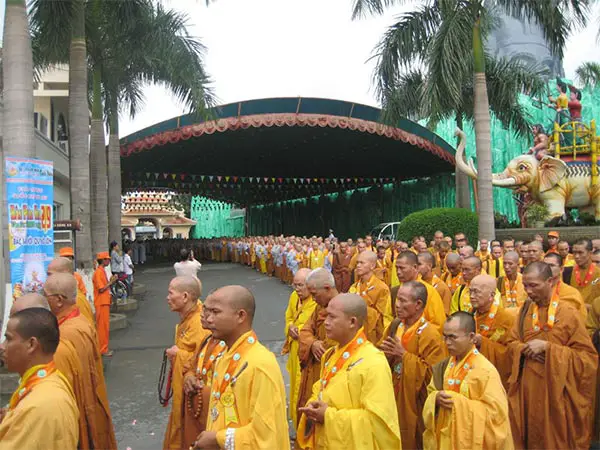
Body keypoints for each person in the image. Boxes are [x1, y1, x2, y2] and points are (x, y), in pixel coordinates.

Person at [507, 262, 598, 449]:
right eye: (525, 286)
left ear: (549, 282)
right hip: (528, 392)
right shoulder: (524, 311)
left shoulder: (568, 313)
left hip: (557, 395)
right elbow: (510, 342)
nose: (529, 291)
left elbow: (588, 358)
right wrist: (524, 349)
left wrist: (549, 348)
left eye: (534, 285)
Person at [297, 293, 401, 449]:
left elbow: (378, 424)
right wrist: (313, 405)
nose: (326, 323)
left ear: (352, 322)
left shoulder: (373, 362)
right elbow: (322, 390)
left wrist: (328, 416)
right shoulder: (331, 355)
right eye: (326, 317)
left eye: (332, 317)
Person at [192, 286, 290, 449]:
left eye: (216, 312)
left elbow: (265, 435)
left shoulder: (260, 364)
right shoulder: (224, 355)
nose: (209, 319)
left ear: (240, 316)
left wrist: (218, 439)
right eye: (208, 312)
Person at [42, 274, 116, 450]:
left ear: (59, 300)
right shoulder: (77, 319)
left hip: (77, 408)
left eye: (45, 295)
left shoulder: (65, 337)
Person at [423, 312, 512, 449]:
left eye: (453, 337)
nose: (447, 343)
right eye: (445, 337)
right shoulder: (444, 366)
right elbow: (431, 392)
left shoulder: (485, 371)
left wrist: (458, 403)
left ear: (471, 337)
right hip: (445, 440)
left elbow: (496, 417)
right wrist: (436, 398)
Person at [380, 281, 446, 449]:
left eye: (403, 301)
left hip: (413, 404)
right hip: (391, 394)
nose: (397, 305)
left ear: (418, 305)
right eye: (397, 300)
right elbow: (381, 353)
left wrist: (404, 356)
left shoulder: (430, 335)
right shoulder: (395, 325)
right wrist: (385, 356)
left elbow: (433, 377)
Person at [0, 308, 79, 449]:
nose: (2, 347)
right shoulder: (50, 379)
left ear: (31, 344)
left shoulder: (39, 406)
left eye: (8, 339)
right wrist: (10, 417)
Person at [163, 276, 210, 450]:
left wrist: (179, 354)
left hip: (193, 392)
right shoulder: (187, 318)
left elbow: (206, 360)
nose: (167, 298)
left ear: (185, 297)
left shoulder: (199, 323)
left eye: (170, 293)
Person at [297, 269, 340, 428]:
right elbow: (305, 331)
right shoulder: (319, 308)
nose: (313, 299)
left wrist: (321, 346)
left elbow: (336, 343)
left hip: (332, 371)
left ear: (328, 288)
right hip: (314, 368)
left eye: (315, 294)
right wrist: (313, 343)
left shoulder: (345, 309)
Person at [282, 268, 317, 427]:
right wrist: (290, 327)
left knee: (304, 389)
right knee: (294, 387)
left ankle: (304, 425)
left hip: (306, 350)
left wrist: (301, 331)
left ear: (310, 285)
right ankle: (296, 423)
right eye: (295, 285)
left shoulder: (316, 301)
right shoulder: (294, 297)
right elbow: (288, 316)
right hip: (295, 348)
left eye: (301, 285)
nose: (297, 289)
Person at [470, 274, 515, 385]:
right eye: (470, 291)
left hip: (495, 378)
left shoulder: (506, 319)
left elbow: (511, 353)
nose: (471, 296)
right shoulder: (469, 314)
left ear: (491, 295)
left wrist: (483, 343)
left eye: (476, 292)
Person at [348, 250, 393, 344]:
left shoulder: (382, 288)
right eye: (357, 263)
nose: (358, 266)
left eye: (362, 263)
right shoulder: (354, 287)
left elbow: (381, 318)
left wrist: (360, 306)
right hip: (353, 334)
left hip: (372, 337)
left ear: (372, 266)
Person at [396, 251, 446, 333]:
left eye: (402, 268)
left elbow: (438, 324)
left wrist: (414, 335)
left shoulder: (428, 291)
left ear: (415, 267)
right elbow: (388, 316)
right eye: (396, 268)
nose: (398, 272)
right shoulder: (397, 290)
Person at [47, 257, 95, 328]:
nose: (48, 279)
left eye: (50, 275)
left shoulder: (76, 300)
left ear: (65, 275)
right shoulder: (67, 297)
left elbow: (83, 331)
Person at [544, 253, 587, 319]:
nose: (547, 269)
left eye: (551, 265)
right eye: (544, 265)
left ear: (561, 269)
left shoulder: (571, 293)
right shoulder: (535, 290)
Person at [92, 252, 117, 356]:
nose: (108, 261)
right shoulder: (98, 272)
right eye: (107, 259)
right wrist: (112, 282)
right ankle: (103, 349)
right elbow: (101, 289)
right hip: (101, 303)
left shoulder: (101, 271)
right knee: (103, 328)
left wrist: (111, 281)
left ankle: (102, 348)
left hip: (104, 302)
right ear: (102, 260)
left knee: (104, 327)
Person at [570, 239, 600, 306]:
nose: (577, 256)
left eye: (580, 252)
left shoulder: (598, 274)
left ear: (590, 253)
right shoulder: (567, 272)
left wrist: (589, 307)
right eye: (574, 252)